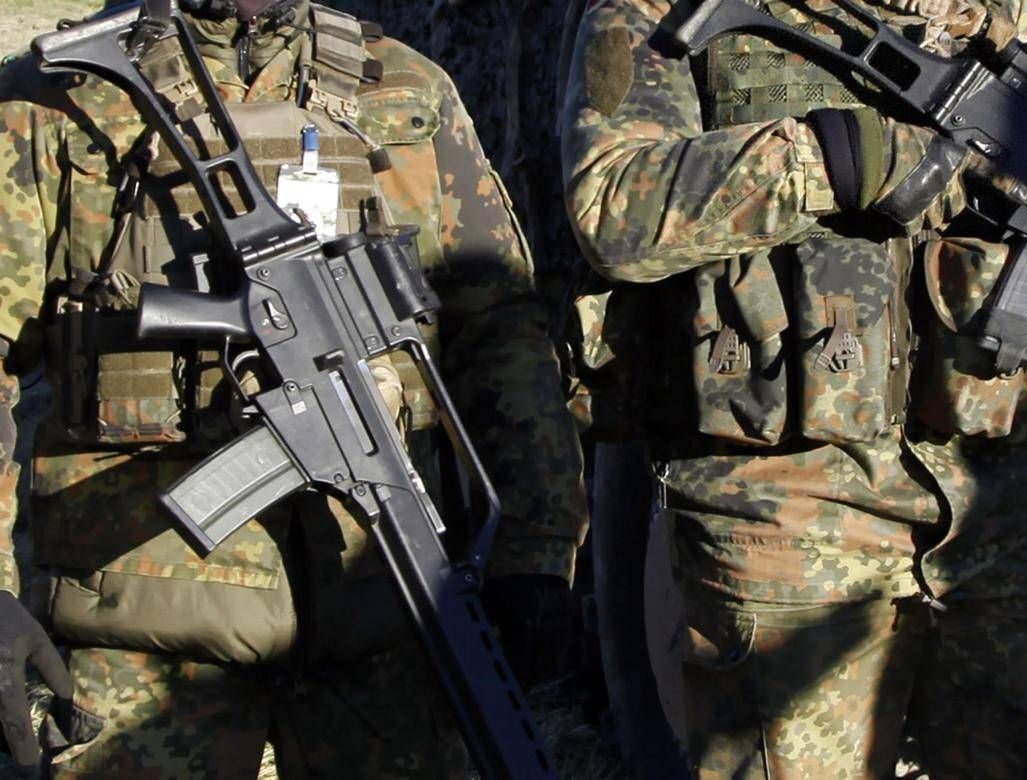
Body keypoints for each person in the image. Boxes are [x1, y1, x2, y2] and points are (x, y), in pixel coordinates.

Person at [0, 0, 588, 776]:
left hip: (390, 617)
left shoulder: (406, 91)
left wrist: (535, 551)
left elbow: (499, 330)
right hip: (135, 632)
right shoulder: (57, 101)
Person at [561, 0, 1027, 776]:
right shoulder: (661, 9)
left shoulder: (1002, 16)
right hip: (784, 515)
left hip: (994, 510)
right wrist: (836, 158)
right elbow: (614, 210)